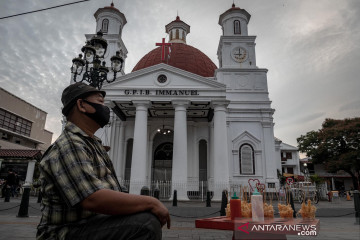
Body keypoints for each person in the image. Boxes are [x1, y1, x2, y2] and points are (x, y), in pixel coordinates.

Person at [37, 83, 170, 240]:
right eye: (100, 102)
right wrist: (151, 202)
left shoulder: (92, 143)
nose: (105, 108)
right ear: (81, 105)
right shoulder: (69, 144)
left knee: (142, 215)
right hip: (65, 232)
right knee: (145, 223)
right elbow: (92, 198)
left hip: (89, 224)